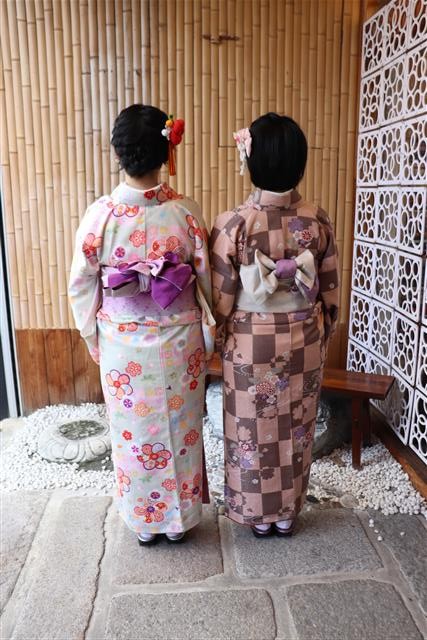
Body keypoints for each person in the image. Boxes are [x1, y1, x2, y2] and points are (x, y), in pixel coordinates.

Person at [69, 104, 214, 545]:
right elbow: (206, 280)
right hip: (180, 340)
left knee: (133, 435)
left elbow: (81, 285)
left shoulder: (100, 216)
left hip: (122, 343)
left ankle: (145, 521)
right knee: (181, 429)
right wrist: (211, 330)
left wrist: (93, 337)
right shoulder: (185, 213)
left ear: (119, 153)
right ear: (167, 151)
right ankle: (179, 521)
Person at [209, 113, 339, 538]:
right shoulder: (316, 220)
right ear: (300, 164)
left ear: (249, 161)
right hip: (304, 338)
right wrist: (326, 326)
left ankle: (256, 513)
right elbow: (330, 290)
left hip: (251, 341)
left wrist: (219, 333)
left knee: (250, 427)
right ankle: (286, 513)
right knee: (296, 425)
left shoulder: (233, 223)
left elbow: (221, 296)